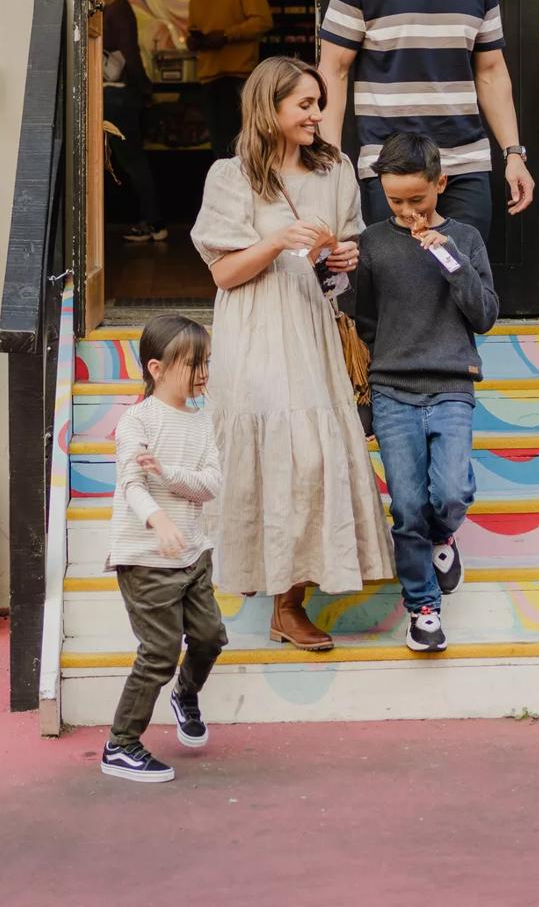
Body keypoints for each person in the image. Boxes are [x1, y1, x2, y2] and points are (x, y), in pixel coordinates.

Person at [190, 56, 393, 651]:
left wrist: (346, 258)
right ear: (268, 108)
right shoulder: (231, 177)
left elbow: (345, 249)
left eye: (318, 103)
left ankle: (290, 600)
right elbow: (225, 274)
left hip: (312, 323)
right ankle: (264, 578)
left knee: (312, 459)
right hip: (255, 328)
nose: (316, 114)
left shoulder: (337, 170)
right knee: (275, 454)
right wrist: (277, 239)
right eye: (304, 104)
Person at [316, 0, 535, 244]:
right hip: (392, 168)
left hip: (465, 163)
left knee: (464, 277)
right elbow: (332, 71)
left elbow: (491, 73)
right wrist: (331, 159)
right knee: (400, 286)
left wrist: (513, 153)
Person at [354, 132, 499, 654]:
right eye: (395, 200)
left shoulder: (464, 239)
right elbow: (364, 322)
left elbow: (484, 315)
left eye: (418, 198)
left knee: (452, 492)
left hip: (451, 384)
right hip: (393, 387)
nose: (407, 209)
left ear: (441, 183)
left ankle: (444, 537)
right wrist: (367, 391)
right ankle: (424, 610)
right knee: (408, 504)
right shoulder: (372, 243)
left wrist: (451, 260)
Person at [100, 313, 227, 784]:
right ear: (157, 368)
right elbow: (132, 483)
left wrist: (170, 476)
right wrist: (157, 518)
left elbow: (210, 483)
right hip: (146, 559)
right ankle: (121, 745)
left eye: (205, 362)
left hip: (192, 554)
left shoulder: (203, 420)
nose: (202, 373)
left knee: (211, 636)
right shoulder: (137, 420)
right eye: (192, 363)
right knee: (159, 651)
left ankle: (186, 694)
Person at [187, 0, 273, 159]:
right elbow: (194, 29)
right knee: (219, 147)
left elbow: (263, 21)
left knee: (243, 146)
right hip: (208, 76)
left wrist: (227, 35)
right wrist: (194, 41)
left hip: (239, 76)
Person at [101, 0, 166, 244]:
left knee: (132, 161)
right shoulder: (114, 8)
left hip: (118, 96)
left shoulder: (116, 9)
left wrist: (144, 87)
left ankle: (153, 222)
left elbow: (130, 54)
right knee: (130, 161)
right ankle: (150, 220)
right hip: (120, 96)